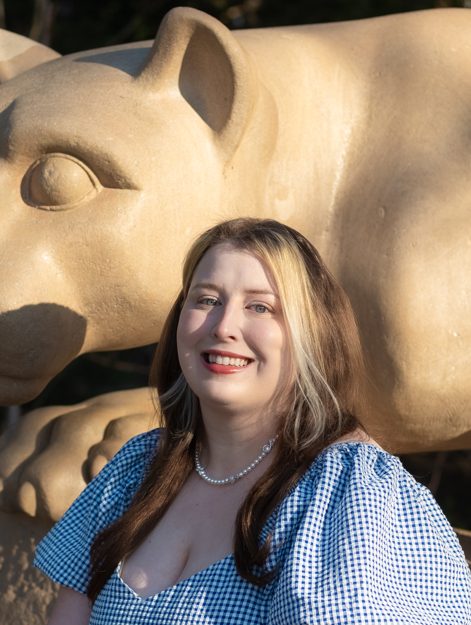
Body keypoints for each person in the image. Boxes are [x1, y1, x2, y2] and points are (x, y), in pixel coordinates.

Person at [34, 218, 471, 624]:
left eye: (260, 308)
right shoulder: (135, 468)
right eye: (207, 299)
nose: (223, 326)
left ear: (311, 338)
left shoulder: (347, 491)